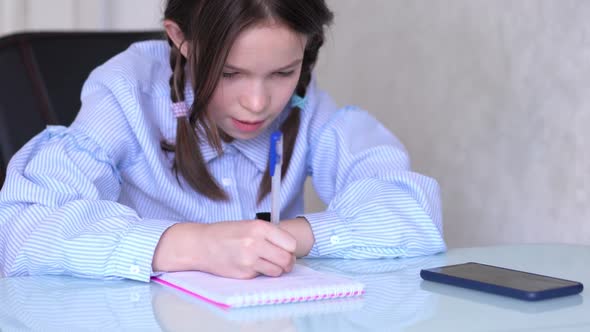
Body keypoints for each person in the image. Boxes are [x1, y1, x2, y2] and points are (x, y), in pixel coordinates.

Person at [0, 0, 445, 282]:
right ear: (181, 40)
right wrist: (192, 245)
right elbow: (21, 229)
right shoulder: (127, 94)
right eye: (230, 74)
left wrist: (279, 239)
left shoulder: (311, 114)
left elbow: (412, 213)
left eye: (282, 73)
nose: (256, 103)